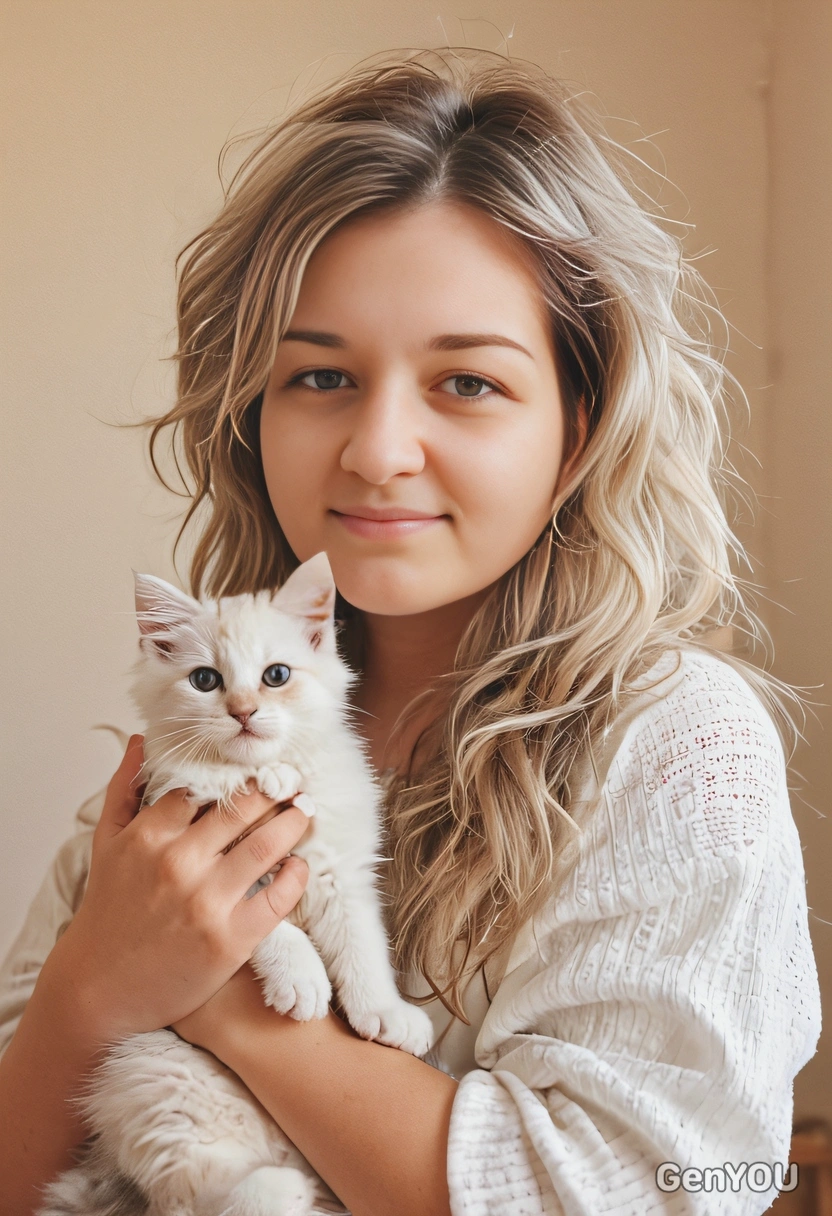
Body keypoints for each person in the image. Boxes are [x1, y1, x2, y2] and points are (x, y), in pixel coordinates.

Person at [0, 45, 821, 1216]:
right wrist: (88, 987)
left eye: (467, 383)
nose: (378, 450)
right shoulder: (192, 737)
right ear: (250, 412)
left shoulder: (676, 742)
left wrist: (215, 999)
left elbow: (637, 1191)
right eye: (321, 378)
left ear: (577, 426)